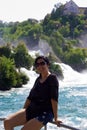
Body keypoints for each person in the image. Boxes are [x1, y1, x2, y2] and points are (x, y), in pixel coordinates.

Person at [4, 55, 62, 130]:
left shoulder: (52, 78)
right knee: (7, 122)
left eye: (42, 63)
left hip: (44, 112)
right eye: (37, 65)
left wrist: (56, 118)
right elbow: (30, 97)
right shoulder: (38, 79)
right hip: (32, 110)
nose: (40, 66)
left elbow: (54, 99)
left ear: (48, 64)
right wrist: (23, 110)